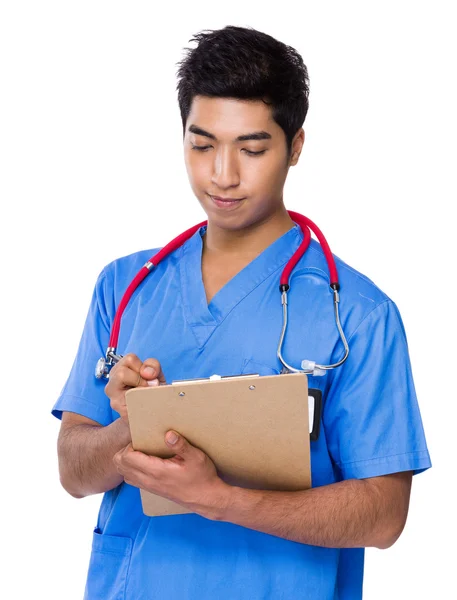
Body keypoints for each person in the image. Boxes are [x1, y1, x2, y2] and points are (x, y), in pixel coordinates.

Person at [52, 25, 431, 600]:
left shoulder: (357, 314)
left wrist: (223, 500)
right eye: (201, 145)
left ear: (296, 146)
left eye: (252, 149)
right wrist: (136, 425)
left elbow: (383, 516)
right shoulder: (127, 286)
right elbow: (74, 472)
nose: (222, 175)